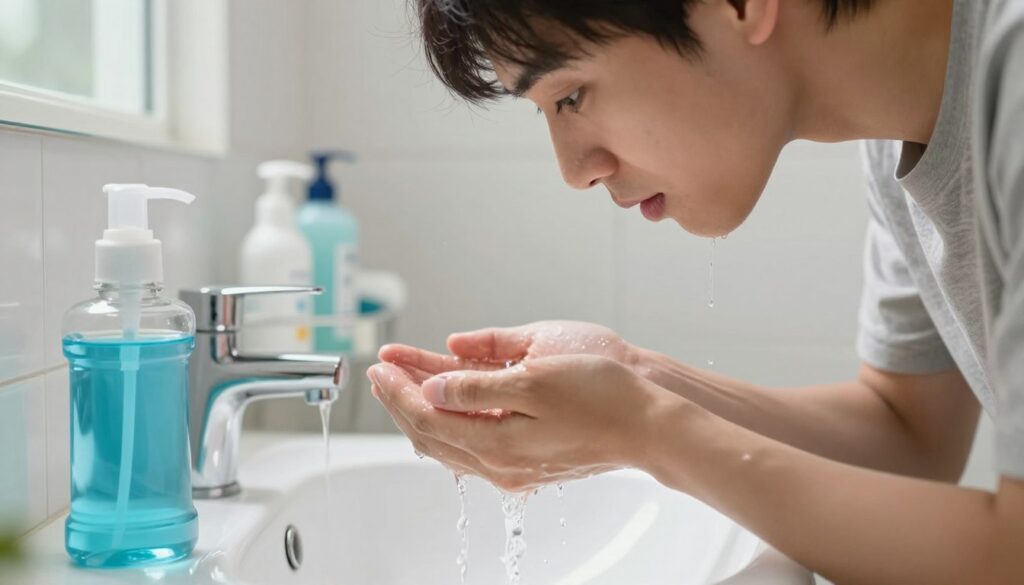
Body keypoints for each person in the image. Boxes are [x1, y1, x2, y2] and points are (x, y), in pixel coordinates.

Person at [366, 0, 1024, 581]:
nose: (575, 170)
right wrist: (637, 378)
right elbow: (909, 439)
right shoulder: (899, 135)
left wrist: (648, 430)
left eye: (570, 97)